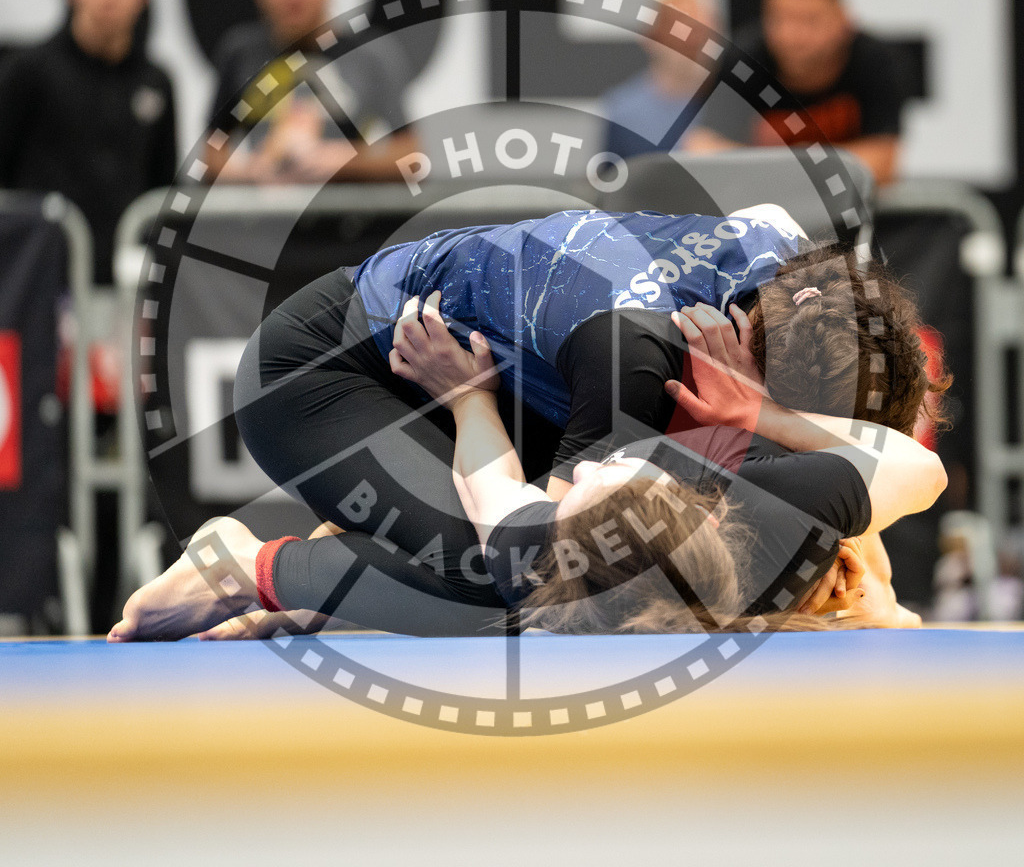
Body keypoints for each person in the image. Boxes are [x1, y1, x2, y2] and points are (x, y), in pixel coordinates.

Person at [109, 207, 945, 641]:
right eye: (783, 418)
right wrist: (467, 400)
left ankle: (342, 585)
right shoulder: (636, 357)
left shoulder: (795, 271)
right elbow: (534, 557)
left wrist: (773, 422)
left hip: (515, 380)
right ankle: (252, 566)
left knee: (695, 514)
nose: (769, 438)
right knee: (528, 598)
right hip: (331, 374)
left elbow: (874, 464)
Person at [0, 0, 177, 283]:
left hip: (126, 279)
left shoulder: (155, 82)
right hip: (40, 280)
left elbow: (162, 187)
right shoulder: (29, 72)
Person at [208, 0, 418, 183]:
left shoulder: (370, 54)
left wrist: (347, 161)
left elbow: (412, 154)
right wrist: (250, 171)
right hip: (266, 219)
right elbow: (210, 153)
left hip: (348, 219)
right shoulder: (240, 53)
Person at [689, 0, 911, 187]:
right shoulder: (742, 62)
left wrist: (769, 172)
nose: (791, 36)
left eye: (809, 20)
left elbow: (883, 163)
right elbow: (703, 151)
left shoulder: (875, 61)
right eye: (778, 19)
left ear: (844, 20)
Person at [601, 0, 734, 160]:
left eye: (702, 32)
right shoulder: (623, 112)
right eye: (680, 32)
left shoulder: (735, 102)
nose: (693, 43)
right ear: (651, 38)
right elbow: (609, 179)